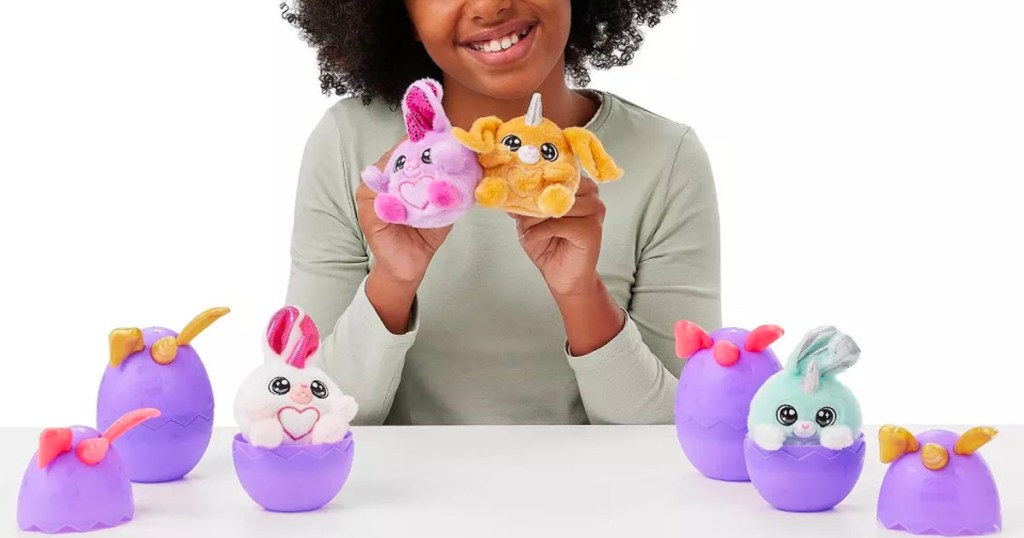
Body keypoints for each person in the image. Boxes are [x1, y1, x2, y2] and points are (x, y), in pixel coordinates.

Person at [282, 0, 721, 425]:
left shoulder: (665, 159)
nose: (490, 6)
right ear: (404, 14)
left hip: (596, 497)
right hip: (399, 497)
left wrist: (580, 294)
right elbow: (298, 415)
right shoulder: (352, 147)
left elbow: (684, 430)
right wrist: (393, 279)